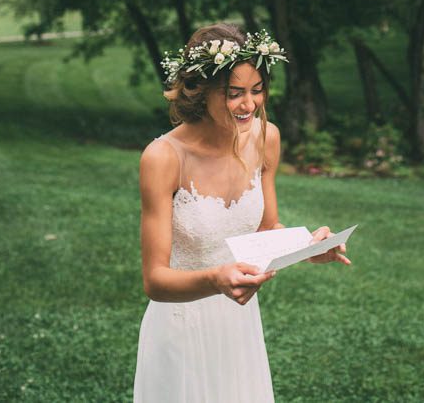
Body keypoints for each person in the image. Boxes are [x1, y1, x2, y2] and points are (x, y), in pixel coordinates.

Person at [133, 22, 350, 402]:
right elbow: (155, 280)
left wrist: (308, 247)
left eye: (257, 90)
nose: (248, 105)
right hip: (182, 326)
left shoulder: (266, 138)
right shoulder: (163, 157)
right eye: (234, 94)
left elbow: (266, 229)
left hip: (238, 323)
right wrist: (216, 279)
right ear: (199, 90)